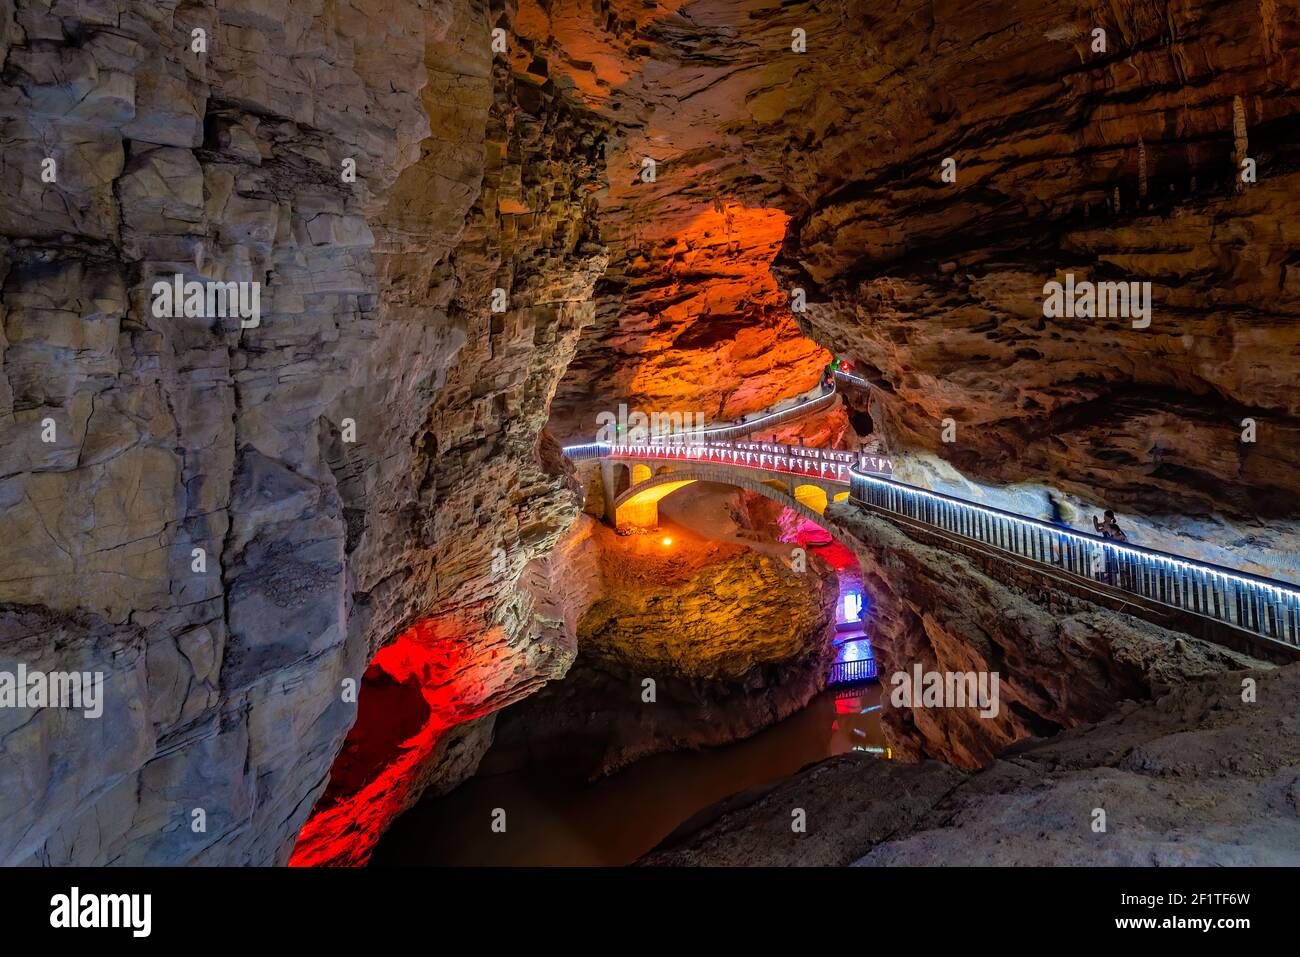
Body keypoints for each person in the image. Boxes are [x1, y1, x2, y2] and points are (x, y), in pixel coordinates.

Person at [1092, 509, 1128, 585]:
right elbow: (1098, 527)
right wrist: (1095, 521)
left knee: (1109, 559)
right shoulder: (1106, 524)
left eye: (1105, 516)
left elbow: (1098, 530)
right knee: (1107, 559)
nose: (1104, 517)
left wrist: (1095, 522)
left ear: (1109, 517)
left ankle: (1110, 576)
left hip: (1109, 544)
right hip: (1107, 543)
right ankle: (1109, 576)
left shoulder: (1109, 525)